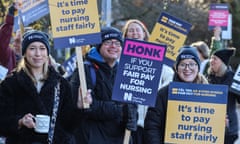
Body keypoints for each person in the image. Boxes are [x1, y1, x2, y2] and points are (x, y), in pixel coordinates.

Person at [0, 30, 92, 144]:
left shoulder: (61, 84)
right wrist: (20, 122)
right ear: (25, 52)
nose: (38, 53)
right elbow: (2, 121)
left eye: (42, 48)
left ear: (47, 52)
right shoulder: (10, 84)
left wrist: (80, 108)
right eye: (32, 48)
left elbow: (69, 126)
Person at [70, 26, 138, 144]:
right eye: (108, 42)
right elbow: (86, 107)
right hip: (91, 138)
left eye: (117, 43)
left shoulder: (126, 71)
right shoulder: (85, 69)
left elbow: (130, 105)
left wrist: (132, 118)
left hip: (120, 138)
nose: (113, 46)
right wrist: (119, 110)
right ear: (99, 46)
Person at [122, 19, 174, 144]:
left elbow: (170, 77)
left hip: (151, 123)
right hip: (128, 123)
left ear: (144, 33)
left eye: (137, 30)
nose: (135, 33)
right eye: (131, 30)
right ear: (126, 36)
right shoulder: (120, 59)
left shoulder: (158, 60)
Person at [144, 46, 208, 143]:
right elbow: (152, 127)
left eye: (192, 64)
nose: (187, 68)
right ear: (176, 68)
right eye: (182, 64)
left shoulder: (209, 95)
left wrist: (223, 124)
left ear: (198, 67)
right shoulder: (163, 94)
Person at [206, 48, 240, 144]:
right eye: (211, 58)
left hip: (229, 129)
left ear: (223, 62)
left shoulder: (233, 78)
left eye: (215, 59)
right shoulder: (208, 77)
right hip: (209, 127)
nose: (211, 61)